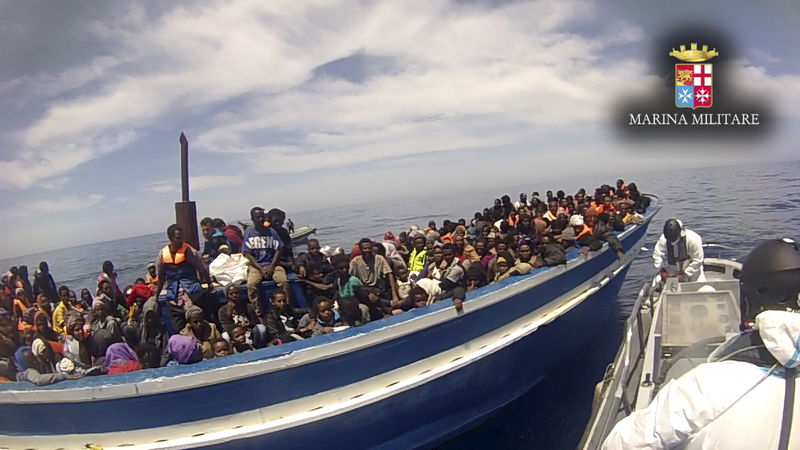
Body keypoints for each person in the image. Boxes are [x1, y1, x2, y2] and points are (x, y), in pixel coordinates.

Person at [603, 238, 800, 450]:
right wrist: (664, 269)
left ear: (745, 304)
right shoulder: (664, 242)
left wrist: (685, 274)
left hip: (690, 272)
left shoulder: (707, 385)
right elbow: (659, 256)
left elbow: (620, 444)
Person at [154, 224, 211, 335]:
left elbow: (202, 269)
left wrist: (208, 283)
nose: (181, 240)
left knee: (200, 327)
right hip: (174, 297)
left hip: (192, 294)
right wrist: (156, 295)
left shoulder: (190, 251)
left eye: (182, 237)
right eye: (177, 238)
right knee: (179, 330)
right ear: (170, 238)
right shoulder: (162, 254)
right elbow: (161, 276)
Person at [242, 207, 288, 321]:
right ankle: (258, 313)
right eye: (258, 217)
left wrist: (272, 266)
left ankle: (286, 309)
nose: (261, 219)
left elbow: (278, 249)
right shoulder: (249, 232)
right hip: (256, 265)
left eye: (262, 216)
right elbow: (247, 253)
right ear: (253, 219)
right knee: (252, 284)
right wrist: (259, 268)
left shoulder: (271, 231)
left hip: (272, 263)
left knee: (283, 281)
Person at [349, 238, 400, 304]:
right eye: (365, 248)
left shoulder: (379, 259)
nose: (367, 250)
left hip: (377, 288)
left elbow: (389, 274)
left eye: (369, 248)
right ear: (361, 250)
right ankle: (388, 303)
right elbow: (350, 278)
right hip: (364, 288)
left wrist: (394, 295)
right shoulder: (355, 261)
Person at [217, 284, 268, 348]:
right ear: (227, 296)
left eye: (236, 293)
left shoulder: (247, 306)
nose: (234, 295)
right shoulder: (222, 310)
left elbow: (255, 321)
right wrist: (239, 327)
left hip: (249, 331)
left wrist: (249, 323)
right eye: (231, 294)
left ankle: (259, 348)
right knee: (225, 336)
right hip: (235, 335)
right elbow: (226, 327)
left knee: (261, 328)